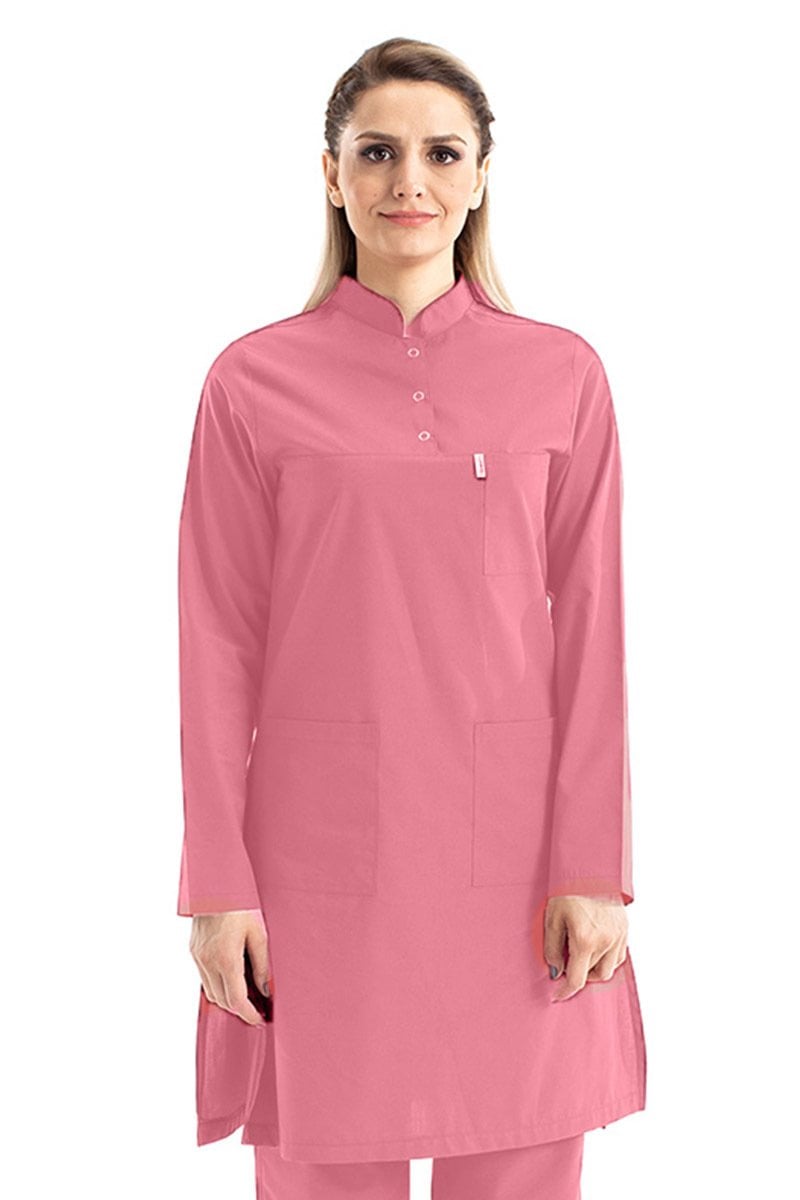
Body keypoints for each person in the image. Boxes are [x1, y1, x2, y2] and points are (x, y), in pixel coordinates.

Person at [176, 35, 646, 1200]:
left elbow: (592, 634)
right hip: (317, 860)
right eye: (376, 152)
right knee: (321, 1161)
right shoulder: (252, 382)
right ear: (330, 175)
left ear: (480, 176)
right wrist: (218, 886)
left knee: (520, 1153)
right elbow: (215, 642)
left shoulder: (561, 375)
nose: (408, 182)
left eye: (440, 153)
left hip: (518, 862)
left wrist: (594, 867)